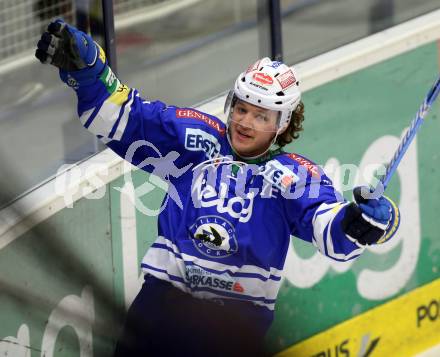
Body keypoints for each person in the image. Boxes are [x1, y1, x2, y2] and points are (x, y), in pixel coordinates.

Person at [35, 20, 400, 356]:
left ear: (282, 124)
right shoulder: (196, 138)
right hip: (161, 307)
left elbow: (330, 229)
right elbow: (125, 118)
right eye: (241, 109)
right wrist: (91, 74)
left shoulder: (294, 175)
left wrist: (361, 221)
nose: (245, 122)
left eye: (261, 116)